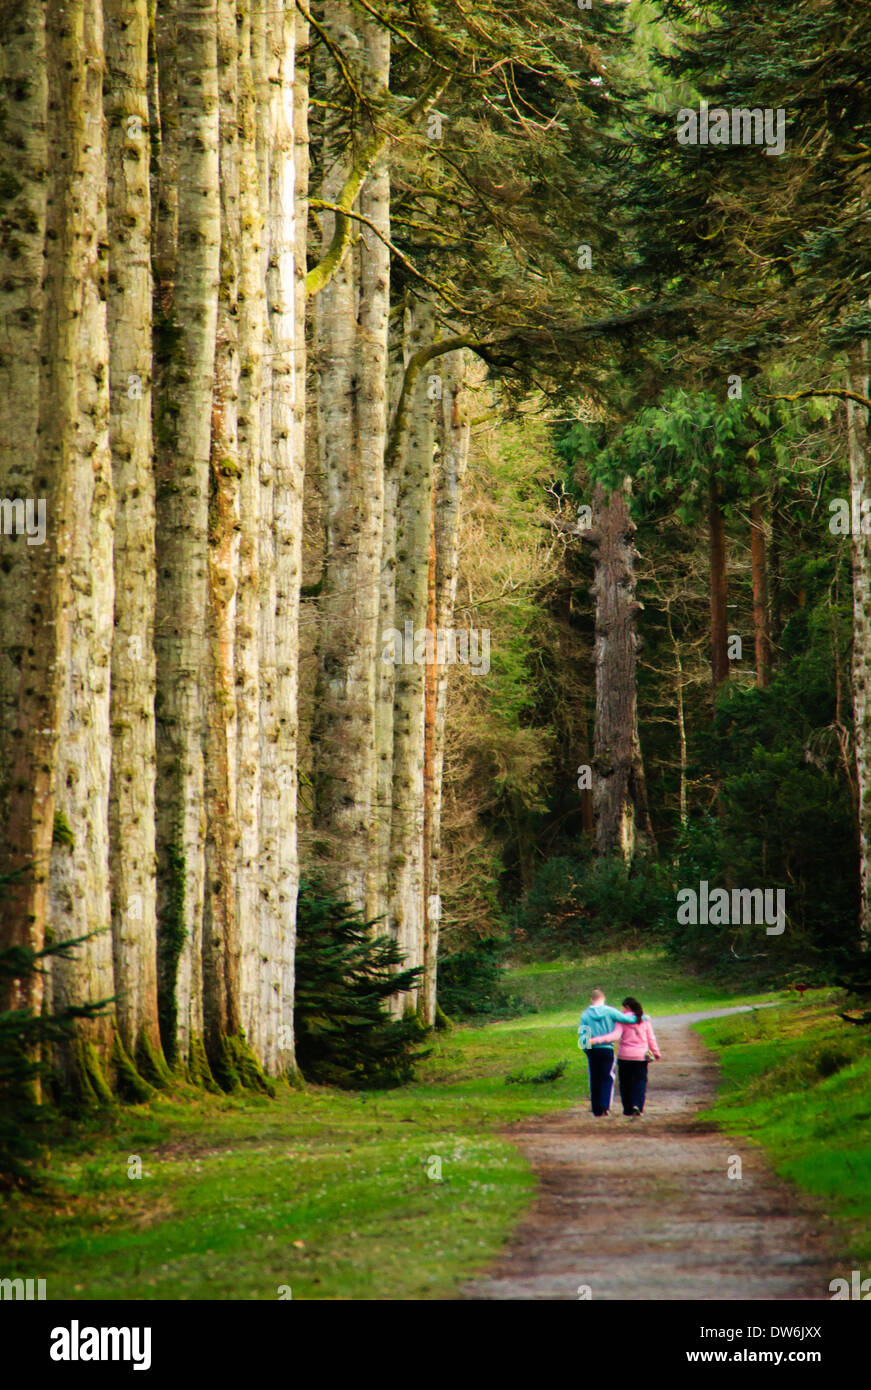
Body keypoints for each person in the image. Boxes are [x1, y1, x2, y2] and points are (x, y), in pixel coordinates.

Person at [577, 989, 639, 1117]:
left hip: (592, 1049)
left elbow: (582, 1036)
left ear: (591, 999)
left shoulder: (585, 1015)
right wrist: (643, 1016)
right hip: (607, 1049)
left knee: (594, 1078)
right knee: (607, 1077)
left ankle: (596, 1108)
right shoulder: (610, 1011)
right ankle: (605, 1106)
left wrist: (586, 1049)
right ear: (603, 999)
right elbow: (628, 1019)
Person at [599, 995, 661, 1118]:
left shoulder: (621, 1020)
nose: (621, 1010)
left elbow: (616, 1035)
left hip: (625, 1056)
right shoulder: (644, 1020)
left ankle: (627, 1108)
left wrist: (599, 1040)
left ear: (627, 1007)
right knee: (640, 1082)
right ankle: (638, 1105)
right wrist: (655, 1051)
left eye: (622, 1008)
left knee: (625, 1083)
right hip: (641, 1057)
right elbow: (650, 1037)